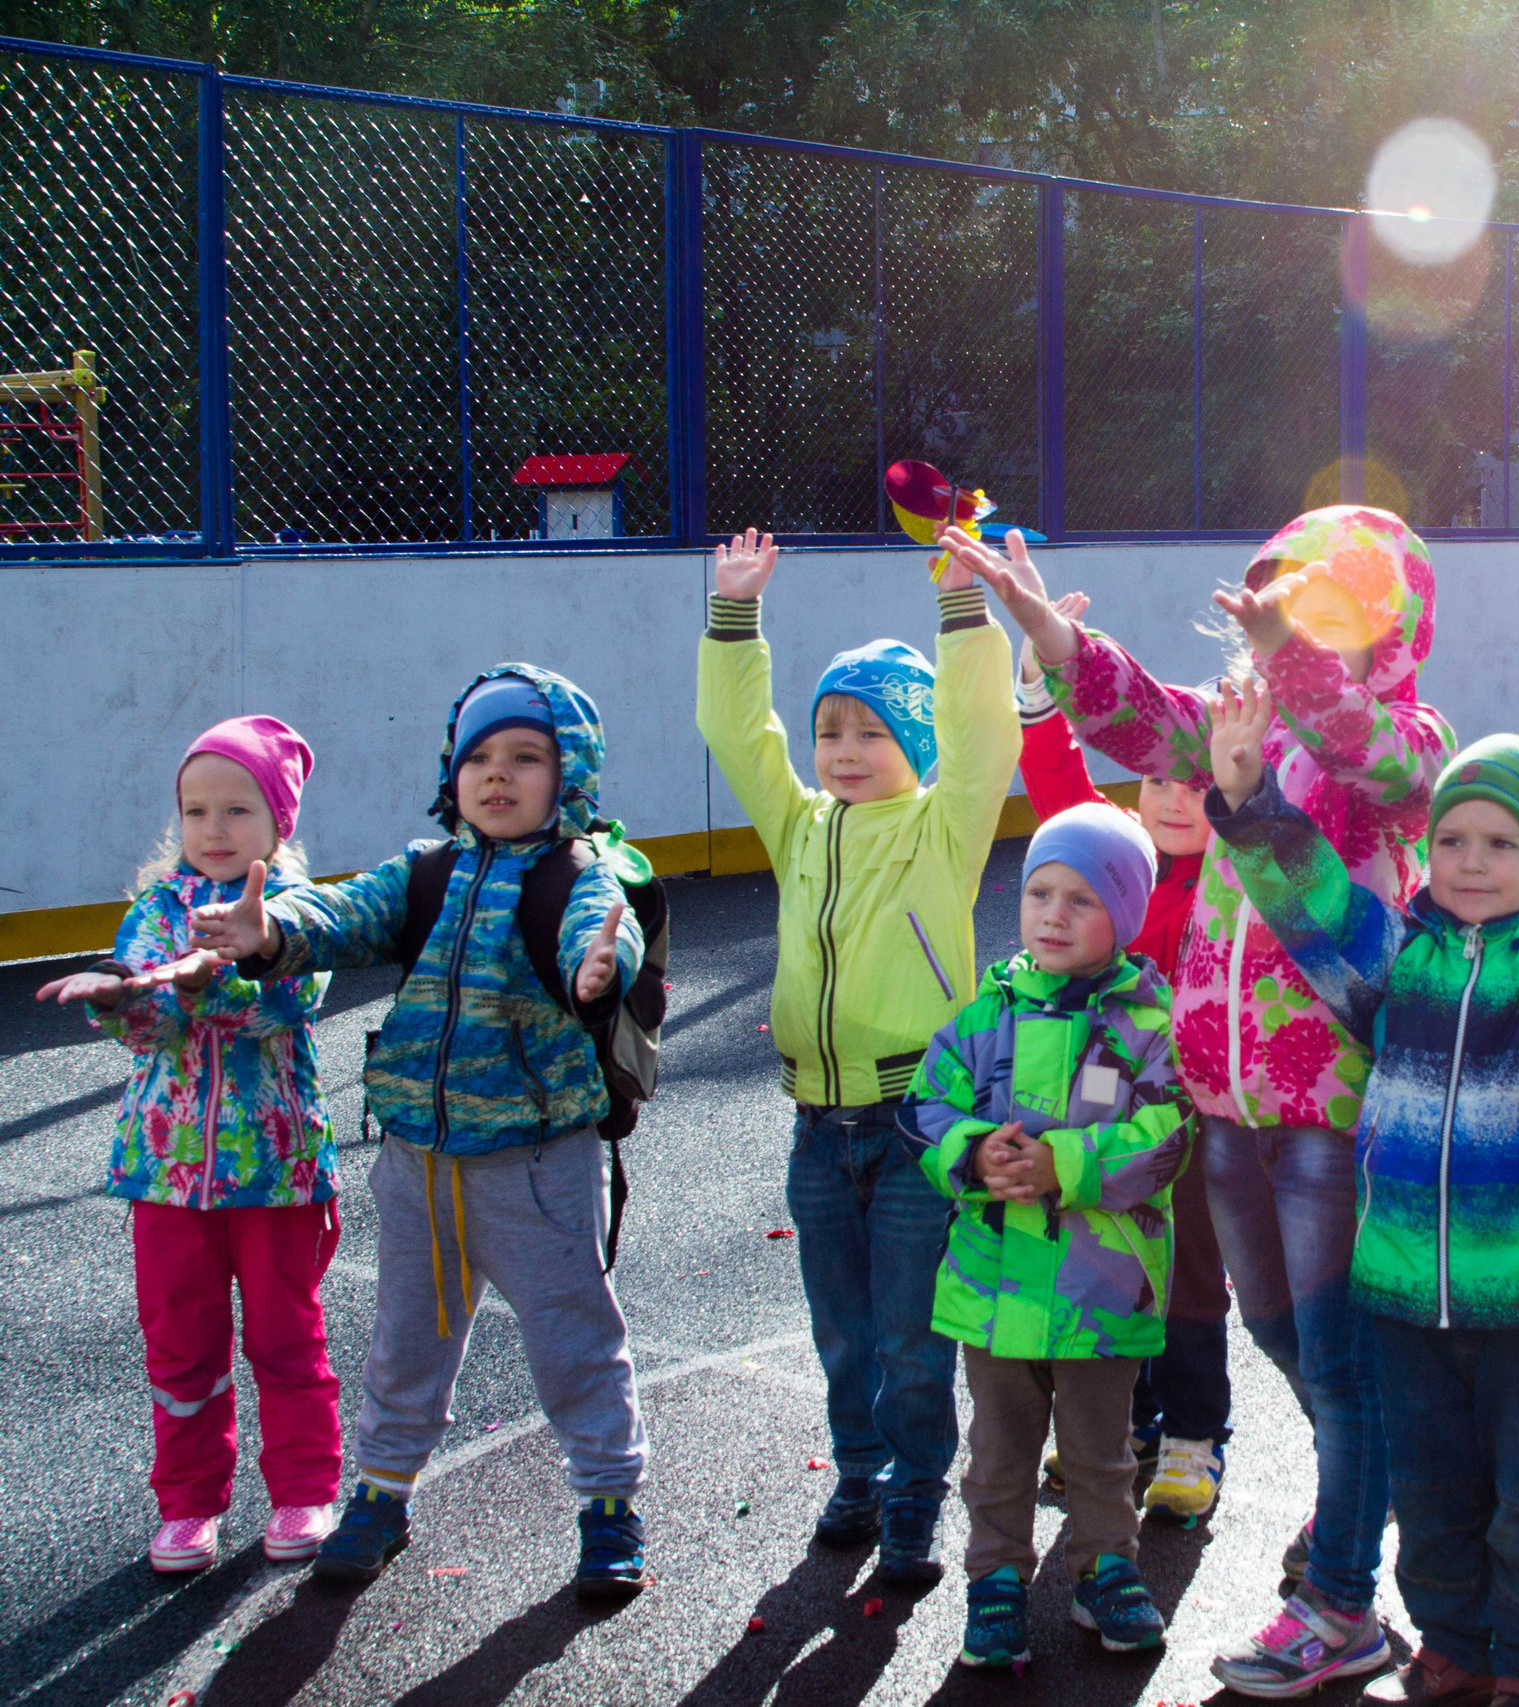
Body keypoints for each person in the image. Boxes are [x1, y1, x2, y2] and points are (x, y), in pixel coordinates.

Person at [956, 507, 1452, 1695]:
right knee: (1287, 1340)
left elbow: (1371, 750)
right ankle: (1368, 1492)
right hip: (1221, 1104)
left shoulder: (1399, 738)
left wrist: (1286, 653)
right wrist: (1050, 643)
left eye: (1331, 607)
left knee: (1332, 1360)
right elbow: (1134, 715)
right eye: (1281, 597)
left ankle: (1341, 1600)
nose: (1293, 625)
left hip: (1329, 1110)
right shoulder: (1234, 721)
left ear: (1390, 627)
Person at [1208, 692, 1519, 1707]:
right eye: (1452, 836)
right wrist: (1246, 802)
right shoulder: (1397, 964)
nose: (1468, 859)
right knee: (1431, 1497)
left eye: (1503, 842)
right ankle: (1455, 1641)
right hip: (1405, 1290)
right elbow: (1315, 905)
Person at [189, 667, 650, 1599]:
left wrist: (604, 964)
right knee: (406, 1339)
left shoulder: (577, 871)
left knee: (573, 1341)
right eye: (479, 755)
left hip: (535, 1163)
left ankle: (608, 1504)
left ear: (573, 777)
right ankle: (382, 1493)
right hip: (418, 1162)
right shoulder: (426, 869)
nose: (498, 774)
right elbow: (340, 914)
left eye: (527, 757)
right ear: (455, 772)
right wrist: (271, 926)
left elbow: (601, 930)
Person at [696, 524, 1022, 1577]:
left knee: (911, 1338)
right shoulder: (800, 828)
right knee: (841, 1333)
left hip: (914, 1127)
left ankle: (917, 1491)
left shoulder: (942, 829)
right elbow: (740, 735)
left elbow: (982, 735)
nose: (840, 749)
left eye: (870, 732)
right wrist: (735, 617)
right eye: (829, 728)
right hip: (815, 1123)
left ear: (915, 748)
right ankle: (858, 1469)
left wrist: (961, 610)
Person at [37, 717, 340, 1575]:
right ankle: (188, 1501)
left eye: (237, 809)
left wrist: (213, 982)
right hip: (165, 1176)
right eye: (197, 809)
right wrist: (118, 998)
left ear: (278, 823)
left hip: (278, 1173)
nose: (214, 828)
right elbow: (149, 1028)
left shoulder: (296, 912)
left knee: (286, 1337)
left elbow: (285, 1003)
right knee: (179, 1340)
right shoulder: (155, 910)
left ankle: (304, 1488)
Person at [903, 802, 1196, 1668]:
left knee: (1101, 1448)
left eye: (1080, 898)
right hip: (994, 1288)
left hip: (1100, 1291)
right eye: (1040, 893)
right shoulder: (984, 1015)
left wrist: (1064, 1165)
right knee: (998, 1447)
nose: (1053, 915)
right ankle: (994, 1576)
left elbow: (1167, 1129)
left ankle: (1106, 1565)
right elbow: (927, 1106)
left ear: (1126, 915)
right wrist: (969, 1149)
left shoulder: (1147, 1022)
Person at [1014, 599, 1234, 1521]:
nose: (1173, 797)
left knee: (1187, 1278)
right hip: (1110, 1110)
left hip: (1202, 1120)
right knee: (1111, 1261)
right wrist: (1037, 688)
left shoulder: (1238, 873)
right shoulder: (1126, 874)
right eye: (1155, 780)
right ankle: (1128, 1420)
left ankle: (1194, 1433)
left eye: (1197, 780)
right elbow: (1065, 794)